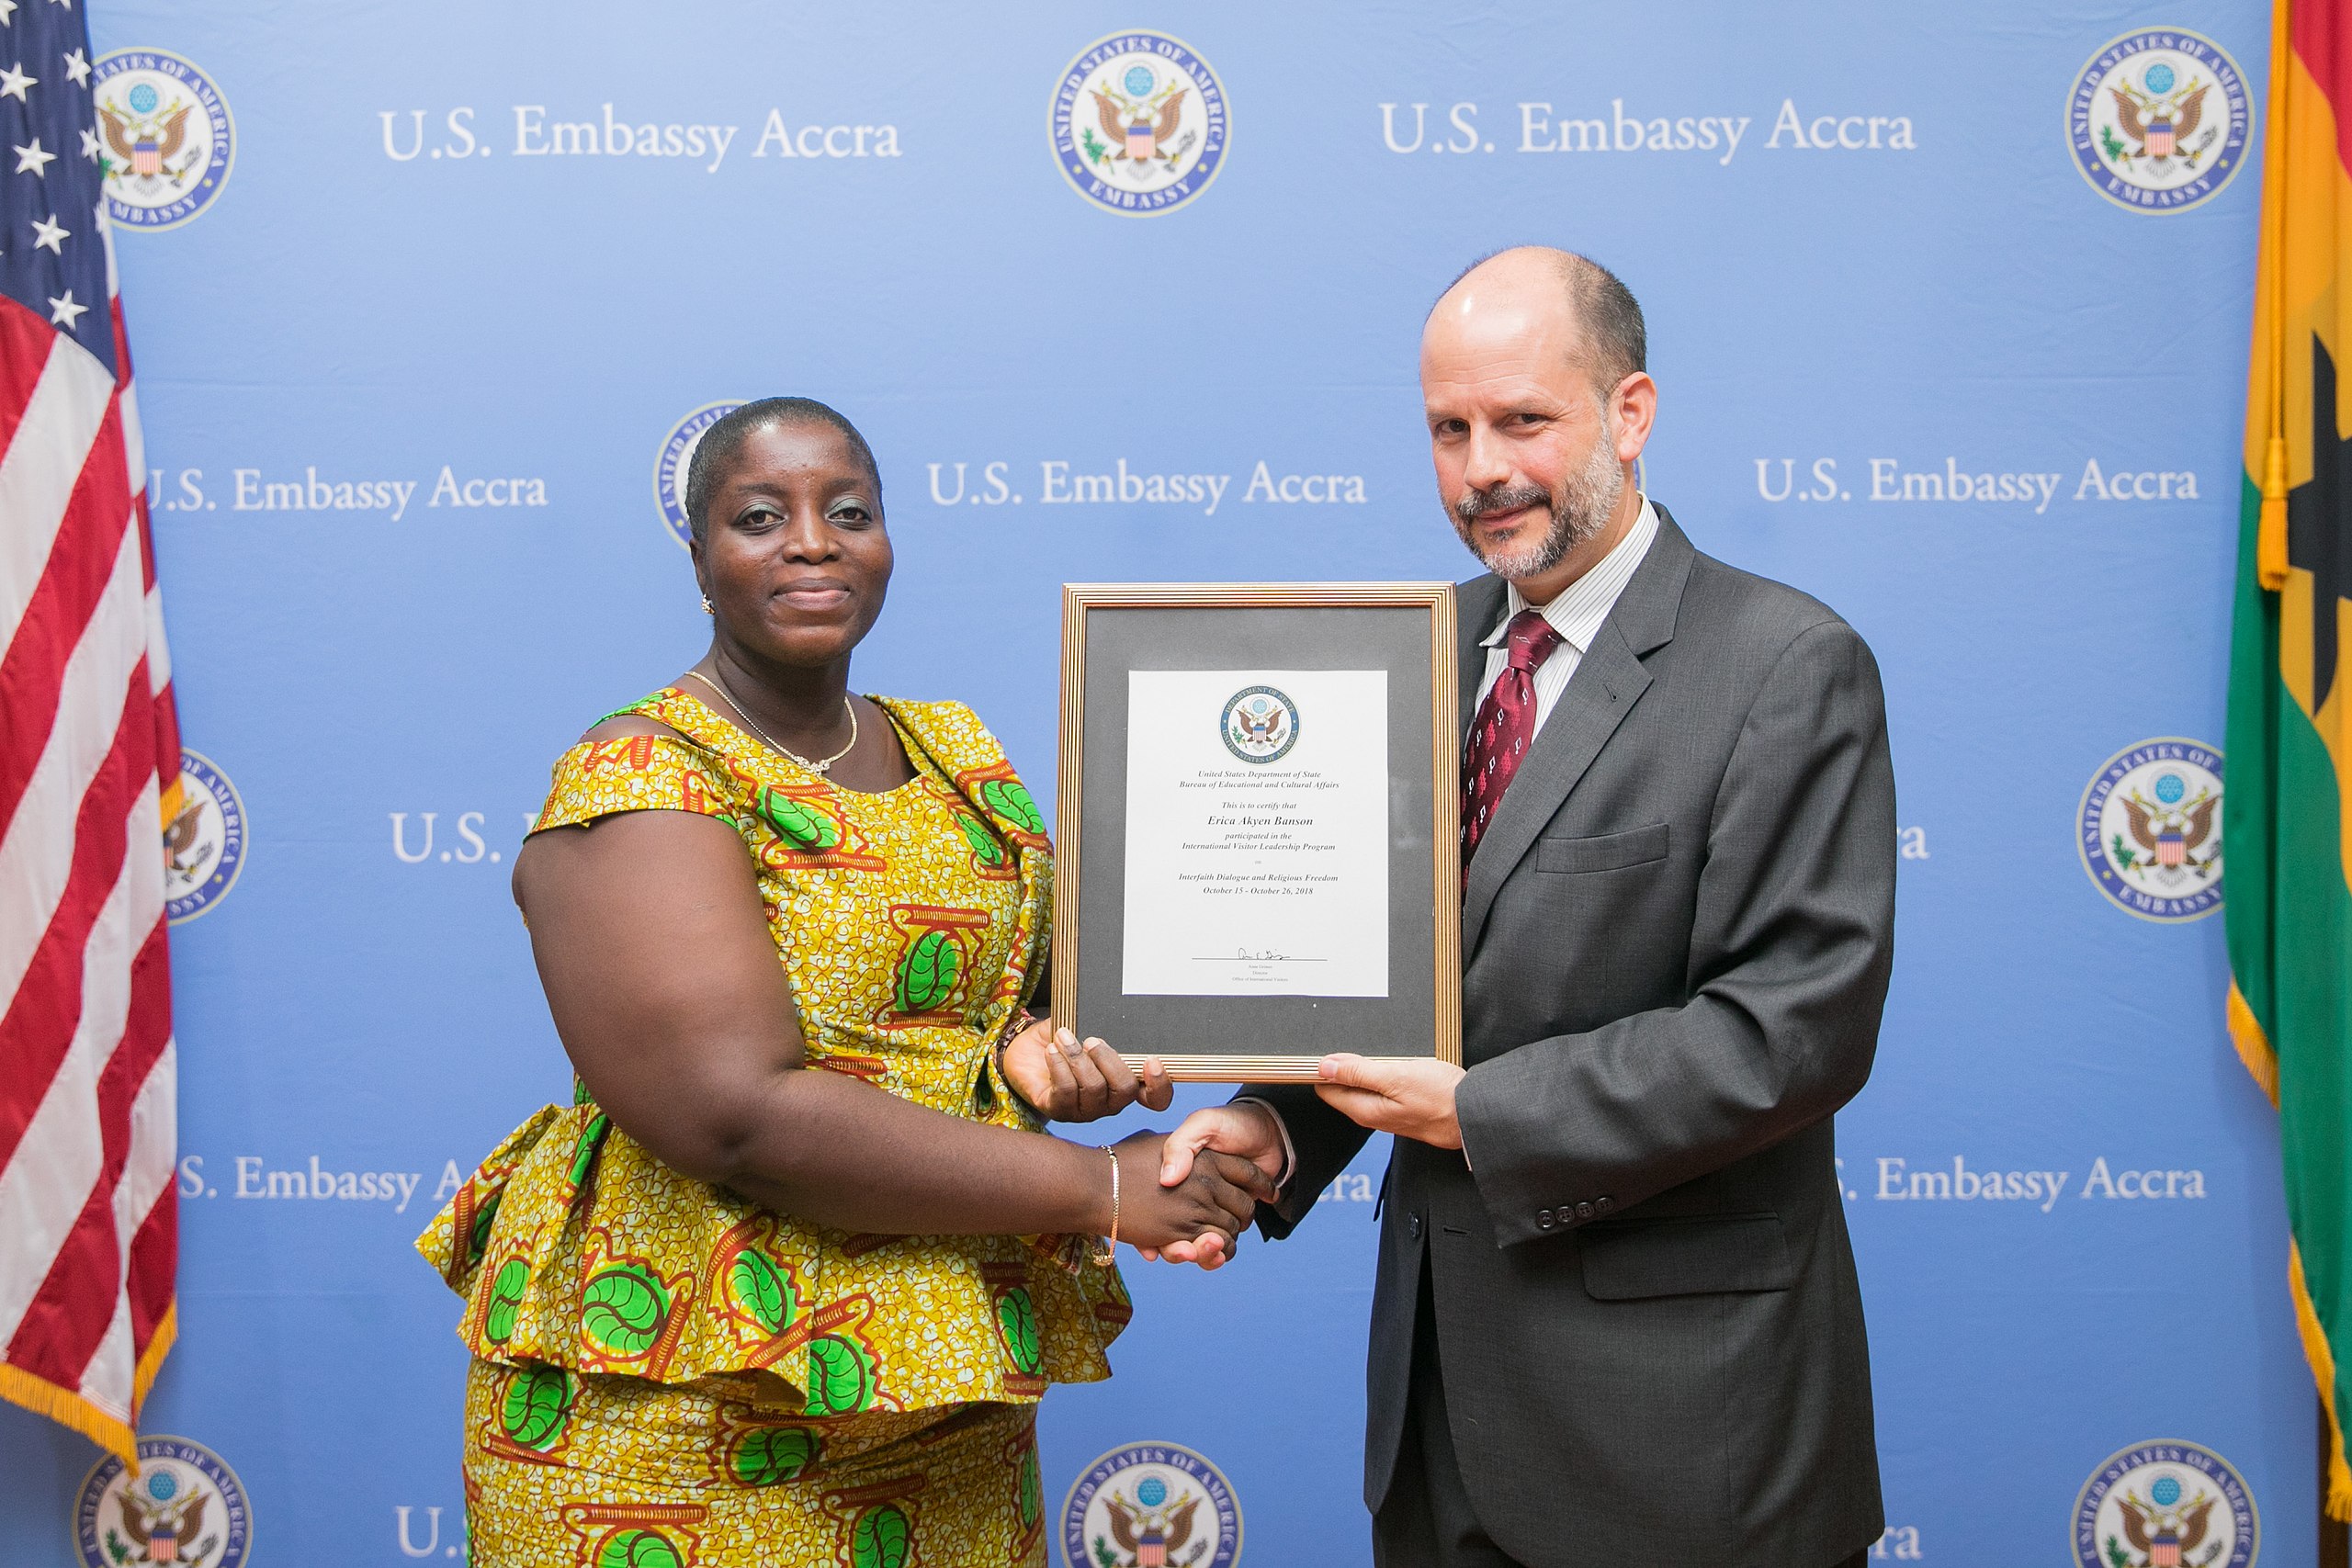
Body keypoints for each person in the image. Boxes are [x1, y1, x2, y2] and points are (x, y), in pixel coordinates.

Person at [416, 397, 1273, 1567]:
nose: (813, 541)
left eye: (849, 512)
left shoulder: (951, 752)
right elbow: (735, 1114)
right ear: (701, 560)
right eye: (760, 516)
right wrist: (1101, 1191)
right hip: (684, 1419)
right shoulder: (646, 770)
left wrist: (1030, 1044)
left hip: (940, 1394)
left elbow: (1040, 990)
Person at [1154, 249, 1898, 1567]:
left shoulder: (1785, 664)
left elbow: (1790, 1030)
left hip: (1686, 1440)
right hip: (1440, 1428)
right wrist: (1276, 1125)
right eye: (1450, 429)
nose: (1481, 468)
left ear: (1631, 412)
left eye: (1523, 420)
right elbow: (1386, 981)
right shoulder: (1404, 656)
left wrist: (1476, 1109)